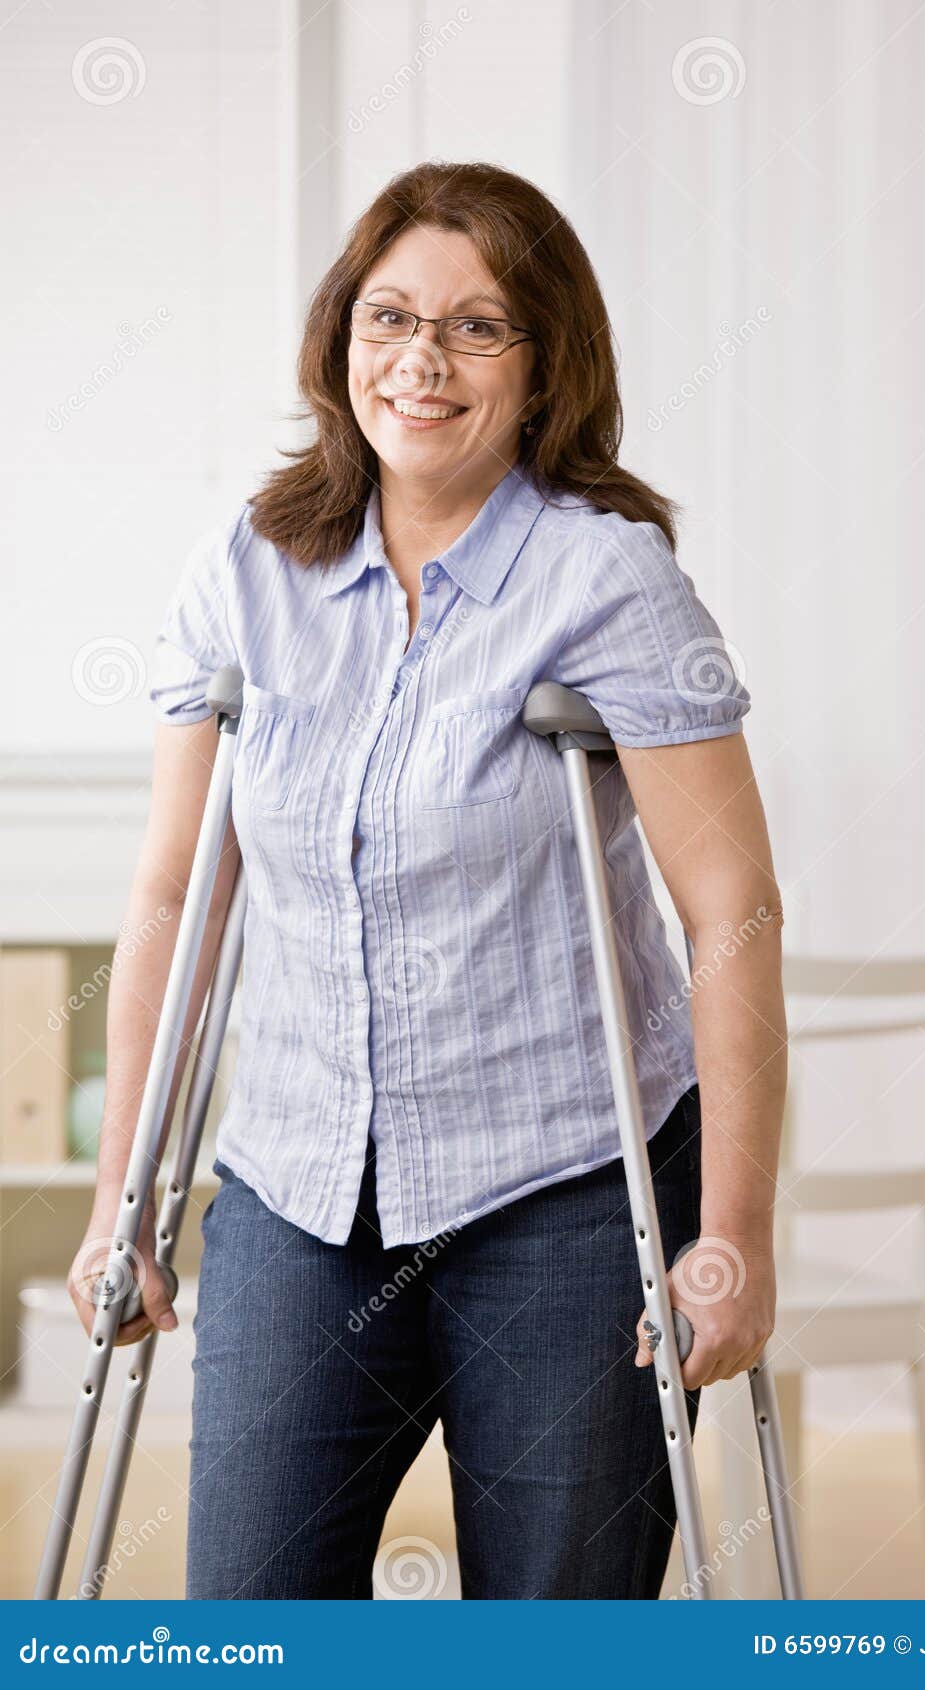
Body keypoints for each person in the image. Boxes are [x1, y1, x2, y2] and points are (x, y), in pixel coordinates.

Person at [68, 160, 787, 1600]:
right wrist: (118, 1202)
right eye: (390, 317)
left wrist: (737, 1238)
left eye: (475, 326)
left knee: (553, 1628)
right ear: (342, 338)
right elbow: (173, 902)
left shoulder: (610, 578)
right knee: (255, 1622)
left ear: (544, 363)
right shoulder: (248, 570)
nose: (423, 360)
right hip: (296, 1185)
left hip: (571, 1187)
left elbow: (732, 917)